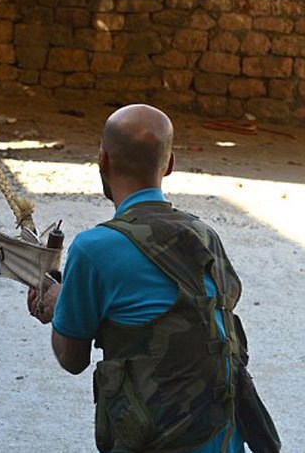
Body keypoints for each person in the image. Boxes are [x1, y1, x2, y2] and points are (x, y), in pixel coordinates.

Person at [26, 104, 279, 452]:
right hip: (223, 440)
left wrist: (59, 307)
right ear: (170, 163)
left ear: (102, 160)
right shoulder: (205, 235)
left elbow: (73, 359)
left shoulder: (94, 248)